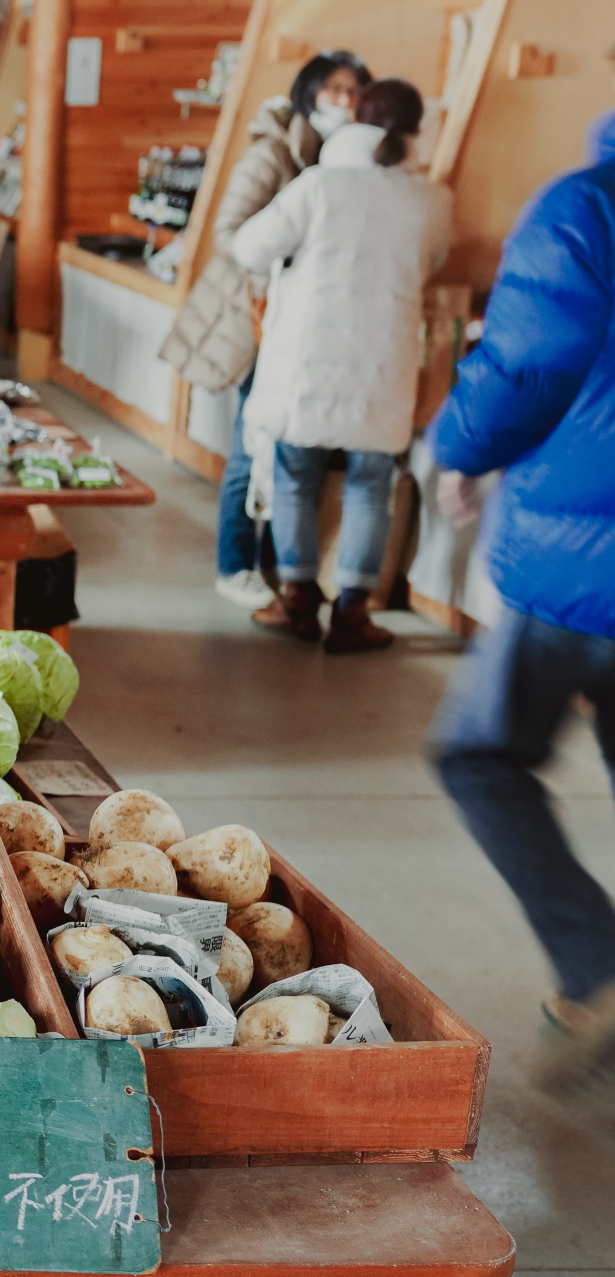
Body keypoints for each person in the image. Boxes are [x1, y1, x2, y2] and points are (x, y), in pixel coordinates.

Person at [426, 110, 615, 1116]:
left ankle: (597, 963)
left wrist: (461, 445)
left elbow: (531, 358)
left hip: (584, 560)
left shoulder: (587, 208)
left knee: (480, 754)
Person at [230, 78, 452, 652]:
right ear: (415, 131)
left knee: (295, 477)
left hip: (310, 359)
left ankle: (298, 601)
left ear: (356, 120)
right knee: (370, 487)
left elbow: (250, 246)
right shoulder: (431, 198)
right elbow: (437, 259)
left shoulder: (318, 186)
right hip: (385, 361)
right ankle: (354, 613)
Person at [160, 51, 373, 611]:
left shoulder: (348, 162)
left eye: (354, 92)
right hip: (259, 318)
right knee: (252, 441)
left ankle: (284, 566)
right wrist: (286, 257)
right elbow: (229, 232)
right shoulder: (272, 154)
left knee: (285, 444)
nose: (345, 102)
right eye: (334, 89)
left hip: (307, 324)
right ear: (308, 94)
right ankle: (235, 564)